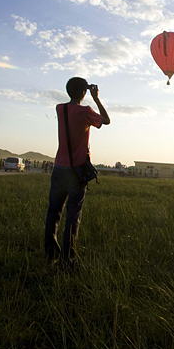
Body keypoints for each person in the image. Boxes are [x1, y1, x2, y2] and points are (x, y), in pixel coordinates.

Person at [44, 77, 110, 267]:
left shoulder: (60, 108)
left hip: (59, 168)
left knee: (53, 212)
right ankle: (68, 259)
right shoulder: (85, 111)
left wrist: (82, 91)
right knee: (73, 216)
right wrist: (96, 98)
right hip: (76, 171)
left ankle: (51, 255)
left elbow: (72, 101)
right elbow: (106, 121)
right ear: (84, 92)